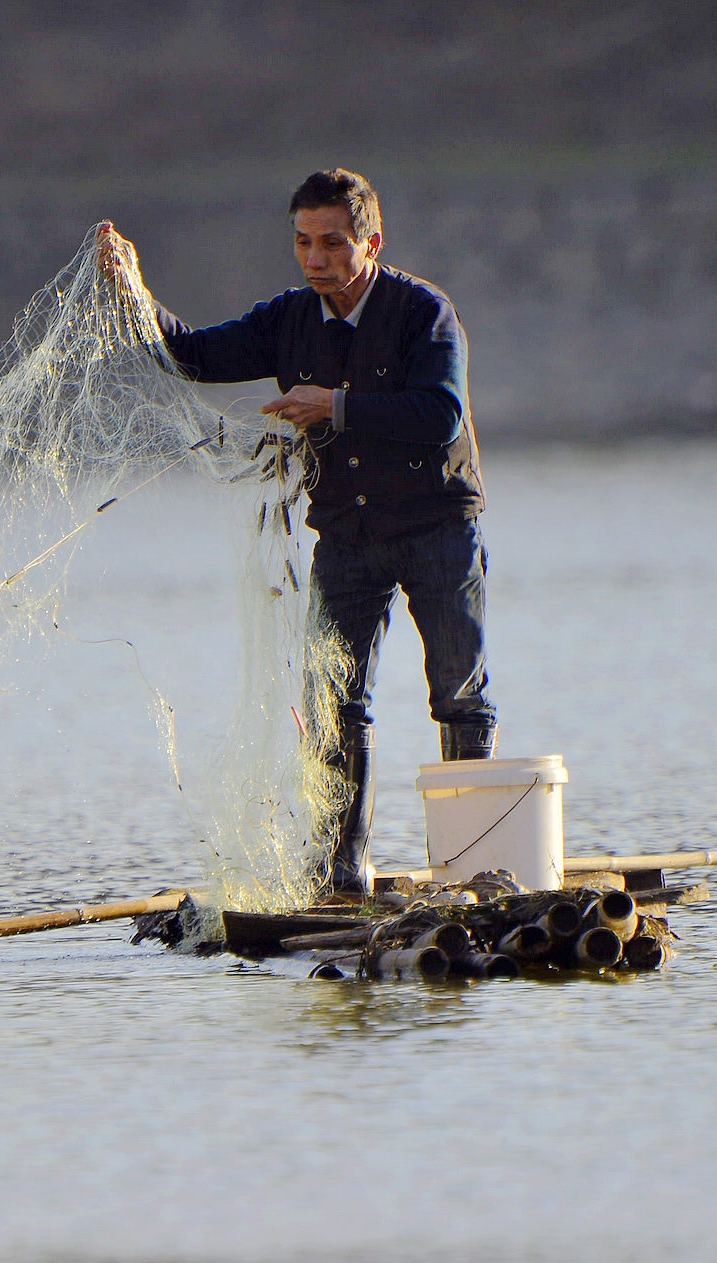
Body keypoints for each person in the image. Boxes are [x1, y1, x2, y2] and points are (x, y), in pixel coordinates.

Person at [98, 167, 496, 895]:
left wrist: (333, 406)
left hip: (438, 521)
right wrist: (134, 295)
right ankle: (344, 871)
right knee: (332, 702)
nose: (316, 259)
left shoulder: (424, 314)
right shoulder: (287, 318)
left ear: (370, 241)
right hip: (347, 532)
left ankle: (473, 864)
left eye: (333, 243)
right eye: (303, 242)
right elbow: (195, 356)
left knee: (458, 695)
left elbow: (438, 415)